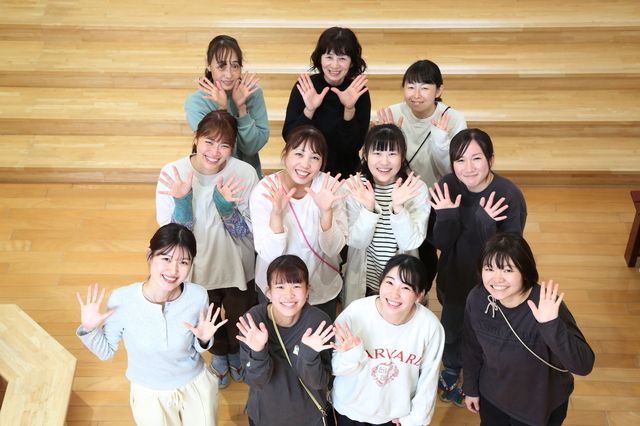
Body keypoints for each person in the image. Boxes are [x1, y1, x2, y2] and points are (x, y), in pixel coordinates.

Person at [76, 223, 227, 425]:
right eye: (166, 259)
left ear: (192, 264)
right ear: (149, 255)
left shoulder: (198, 296)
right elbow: (106, 351)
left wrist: (204, 340)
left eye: (183, 262)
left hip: (194, 384)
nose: (173, 270)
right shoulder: (122, 299)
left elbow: (197, 348)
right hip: (149, 394)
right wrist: (89, 328)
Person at [156, 110, 258, 388]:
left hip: (237, 266)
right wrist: (182, 202)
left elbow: (248, 232)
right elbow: (173, 237)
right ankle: (220, 355)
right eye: (209, 142)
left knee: (240, 319)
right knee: (206, 319)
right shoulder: (173, 173)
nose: (215, 152)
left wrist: (227, 208)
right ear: (196, 138)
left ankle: (237, 354)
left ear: (233, 147)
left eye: (224, 145)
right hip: (195, 269)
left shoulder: (244, 173)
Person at [428, 128, 527, 406]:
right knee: (452, 329)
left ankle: (483, 373)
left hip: (493, 285)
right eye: (460, 160)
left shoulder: (508, 194)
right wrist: (446, 217)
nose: (468, 168)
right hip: (455, 277)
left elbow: (510, 255)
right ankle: (451, 367)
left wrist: (486, 224)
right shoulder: (448, 185)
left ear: (491, 160)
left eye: (476, 158)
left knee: (485, 331)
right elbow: (440, 242)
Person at [463, 233, 595, 425]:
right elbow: (471, 347)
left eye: (507, 270)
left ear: (525, 271)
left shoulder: (546, 304)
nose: (497, 279)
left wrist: (551, 325)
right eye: (489, 268)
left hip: (539, 405)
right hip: (493, 397)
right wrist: (470, 387)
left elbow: (583, 366)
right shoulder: (477, 299)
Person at [377, 59, 467, 288]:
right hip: (399, 192)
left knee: (426, 248)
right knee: (392, 244)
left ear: (439, 90)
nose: (416, 95)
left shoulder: (452, 119)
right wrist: (389, 135)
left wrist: (440, 141)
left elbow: (453, 171)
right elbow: (377, 158)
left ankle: (420, 290)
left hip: (436, 196)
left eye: (425, 87)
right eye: (410, 86)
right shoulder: (393, 113)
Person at [331, 254, 445, 426]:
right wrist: (351, 354)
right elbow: (335, 368)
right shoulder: (355, 313)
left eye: (405, 288)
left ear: (420, 295)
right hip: (350, 409)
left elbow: (428, 380)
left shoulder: (430, 327)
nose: (394, 294)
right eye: (389, 283)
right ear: (380, 283)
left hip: (394, 417)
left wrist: (414, 420)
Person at [250, 125, 347, 320]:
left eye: (315, 157)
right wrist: (277, 214)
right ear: (285, 154)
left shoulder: (329, 188)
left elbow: (333, 249)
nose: (305, 164)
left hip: (320, 285)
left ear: (322, 162)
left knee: (319, 336)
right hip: (277, 290)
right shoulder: (265, 190)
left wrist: (326, 212)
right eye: (299, 154)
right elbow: (270, 254)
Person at [237, 255, 334, 426]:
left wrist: (309, 355)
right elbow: (254, 381)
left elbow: (319, 382)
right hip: (265, 416)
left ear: (307, 290)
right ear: (268, 292)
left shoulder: (318, 323)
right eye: (280, 286)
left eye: (296, 286)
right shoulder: (253, 321)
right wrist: (258, 351)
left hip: (309, 417)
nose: (288, 295)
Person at [343, 124, 430, 306]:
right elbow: (356, 241)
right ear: (365, 155)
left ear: (402, 156)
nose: (384, 162)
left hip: (401, 288)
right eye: (377, 153)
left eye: (392, 154)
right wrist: (369, 209)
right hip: (364, 286)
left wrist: (398, 208)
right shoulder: (353, 187)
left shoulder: (416, 188)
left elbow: (410, 243)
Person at [282, 27, 371, 178]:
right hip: (306, 172)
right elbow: (290, 139)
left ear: (351, 62)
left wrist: (349, 109)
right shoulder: (306, 87)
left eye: (342, 58)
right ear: (320, 58)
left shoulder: (358, 91)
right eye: (329, 57)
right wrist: (309, 110)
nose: (334, 65)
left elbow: (353, 146)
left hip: (345, 175)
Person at [185, 34, 269, 176]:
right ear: (208, 65)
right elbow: (216, 152)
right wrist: (222, 110)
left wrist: (241, 108)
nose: (229, 74)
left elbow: (252, 148)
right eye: (221, 66)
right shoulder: (196, 103)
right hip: (211, 176)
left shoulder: (253, 93)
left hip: (248, 176)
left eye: (235, 66)